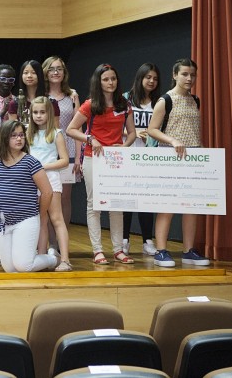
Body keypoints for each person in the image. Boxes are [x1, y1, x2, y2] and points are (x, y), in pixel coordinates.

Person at [65, 63, 137, 266]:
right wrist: (90, 138)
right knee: (94, 204)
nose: (110, 82)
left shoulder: (124, 104)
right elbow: (71, 129)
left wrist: (125, 146)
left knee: (117, 205)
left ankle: (118, 250)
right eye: (106, 79)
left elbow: (131, 133)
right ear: (99, 81)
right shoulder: (90, 104)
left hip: (116, 160)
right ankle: (97, 250)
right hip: (93, 158)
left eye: (113, 78)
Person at [147, 58, 210, 267]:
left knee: (191, 206)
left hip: (192, 158)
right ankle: (161, 250)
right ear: (175, 75)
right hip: (170, 158)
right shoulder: (166, 100)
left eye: (192, 74)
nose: (189, 78)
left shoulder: (195, 100)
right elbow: (152, 129)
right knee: (167, 205)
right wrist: (173, 140)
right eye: (184, 74)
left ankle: (188, 250)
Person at [0, 120, 59, 273]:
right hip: (3, 222)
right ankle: (31, 257)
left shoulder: (30, 162)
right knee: (10, 269)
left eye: (21, 135)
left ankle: (53, 258)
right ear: (4, 138)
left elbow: (47, 192)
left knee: (23, 266)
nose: (19, 139)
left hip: (26, 219)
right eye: (14, 136)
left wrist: (39, 213)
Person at [26, 97, 71, 271]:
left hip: (51, 179)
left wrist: (41, 167)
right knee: (40, 220)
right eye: (35, 112)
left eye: (42, 112)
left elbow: (65, 160)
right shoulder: (27, 133)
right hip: (32, 181)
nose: (38, 116)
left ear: (49, 113)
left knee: (57, 219)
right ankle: (42, 257)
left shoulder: (56, 133)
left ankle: (65, 260)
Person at [123, 63, 161, 257]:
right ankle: (124, 240)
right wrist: (133, 132)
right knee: (126, 199)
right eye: (148, 77)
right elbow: (114, 126)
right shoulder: (125, 99)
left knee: (147, 200)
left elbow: (162, 129)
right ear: (140, 78)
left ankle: (147, 240)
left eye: (155, 78)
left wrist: (152, 135)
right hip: (127, 155)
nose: (151, 81)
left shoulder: (159, 102)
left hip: (149, 158)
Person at [43, 55, 81, 238]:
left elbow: (78, 127)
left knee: (65, 198)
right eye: (51, 69)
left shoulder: (72, 96)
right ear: (45, 72)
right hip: (46, 154)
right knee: (47, 196)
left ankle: (60, 240)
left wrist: (79, 157)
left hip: (68, 152)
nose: (55, 72)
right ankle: (47, 242)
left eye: (59, 68)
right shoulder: (41, 97)